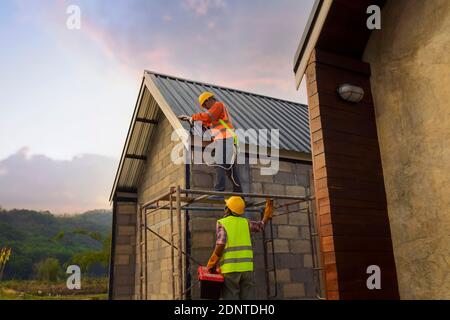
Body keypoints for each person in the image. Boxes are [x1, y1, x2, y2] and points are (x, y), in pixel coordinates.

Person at [205, 196, 273, 300]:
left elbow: (221, 244)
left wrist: (212, 262)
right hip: (247, 270)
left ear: (228, 209)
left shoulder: (222, 223)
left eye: (226, 206)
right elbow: (261, 225)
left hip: (230, 271)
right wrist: (269, 209)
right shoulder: (246, 223)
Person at [178, 92, 242, 194]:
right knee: (231, 171)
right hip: (225, 139)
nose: (205, 108)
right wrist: (189, 118)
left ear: (209, 100)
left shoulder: (218, 105)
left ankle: (219, 192)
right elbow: (205, 122)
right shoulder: (215, 115)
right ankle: (239, 195)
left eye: (204, 105)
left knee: (220, 163)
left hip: (225, 138)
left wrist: (193, 117)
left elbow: (207, 117)